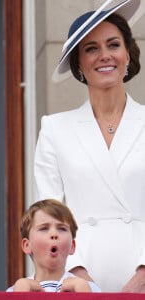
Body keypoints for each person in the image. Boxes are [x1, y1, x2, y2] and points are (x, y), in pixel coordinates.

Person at [34, 0, 145, 293]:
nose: (104, 56)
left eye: (113, 45)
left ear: (127, 55)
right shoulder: (54, 129)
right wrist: (81, 279)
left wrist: (140, 280)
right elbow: (48, 214)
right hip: (77, 281)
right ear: (79, 64)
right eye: (91, 48)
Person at [6, 199, 101, 292]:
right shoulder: (15, 291)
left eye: (62, 229)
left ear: (72, 246)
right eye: (44, 228)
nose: (54, 234)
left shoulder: (88, 288)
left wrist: (85, 295)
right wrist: (19, 296)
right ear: (27, 245)